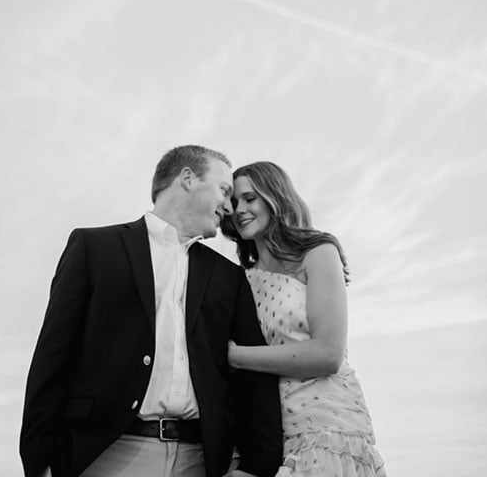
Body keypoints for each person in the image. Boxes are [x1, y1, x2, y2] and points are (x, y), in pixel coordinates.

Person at [20, 145, 283, 477]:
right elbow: (52, 357)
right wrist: (39, 461)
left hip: (199, 461)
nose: (230, 207)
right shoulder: (94, 249)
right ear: (187, 178)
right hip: (104, 455)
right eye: (224, 190)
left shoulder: (228, 276)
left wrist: (256, 467)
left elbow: (252, 384)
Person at [221, 161, 386, 477]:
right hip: (265, 430)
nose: (239, 209)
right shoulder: (241, 279)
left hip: (324, 426)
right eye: (234, 202)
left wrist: (233, 356)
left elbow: (327, 354)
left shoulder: (318, 252)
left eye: (250, 198)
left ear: (275, 197)